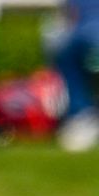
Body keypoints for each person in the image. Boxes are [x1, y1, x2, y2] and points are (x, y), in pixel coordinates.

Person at [52, 0, 99, 151]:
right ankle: (81, 115)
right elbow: (70, 15)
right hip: (82, 33)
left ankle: (81, 115)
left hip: (90, 33)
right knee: (66, 50)